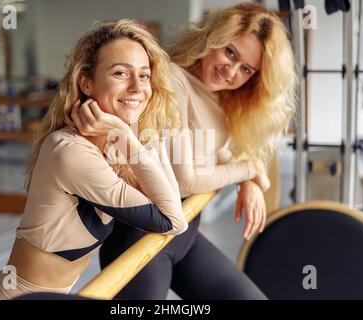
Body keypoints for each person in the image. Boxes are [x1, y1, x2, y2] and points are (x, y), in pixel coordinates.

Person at [72, 3, 296, 299]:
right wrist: (250, 170)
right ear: (212, 39)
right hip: (143, 239)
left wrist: (248, 180)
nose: (231, 71)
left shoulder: (213, 95)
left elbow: (210, 152)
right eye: (230, 52)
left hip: (184, 236)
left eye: (246, 69)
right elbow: (185, 180)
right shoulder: (173, 80)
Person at [0, 19, 188, 300]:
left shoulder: (114, 147)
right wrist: (126, 133)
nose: (138, 87)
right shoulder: (69, 151)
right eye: (121, 73)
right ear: (86, 82)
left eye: (145, 76)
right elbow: (173, 221)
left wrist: (131, 132)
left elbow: (175, 198)